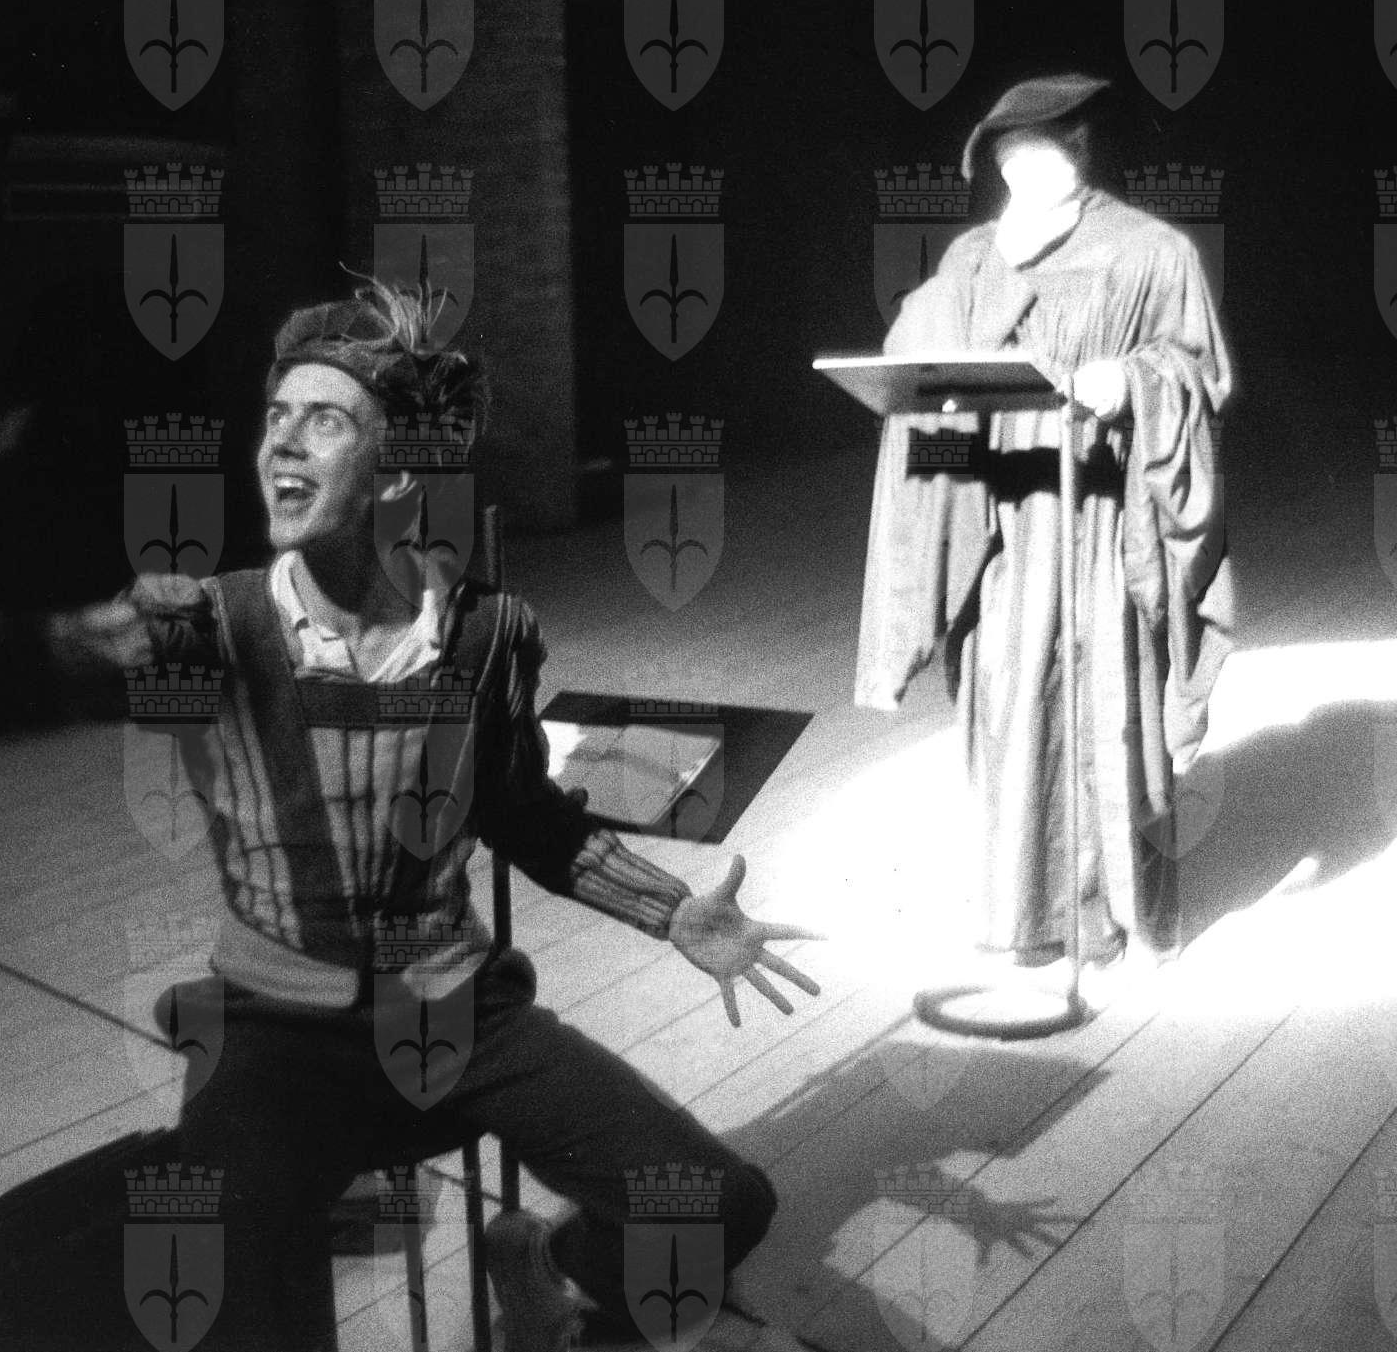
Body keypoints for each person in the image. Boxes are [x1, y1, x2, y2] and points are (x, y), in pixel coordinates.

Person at [43, 277, 822, 1351]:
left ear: (396, 468)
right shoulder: (205, 625)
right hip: (274, 1022)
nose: (281, 444)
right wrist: (32, 637)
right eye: (274, 417)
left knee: (721, 1201)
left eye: (324, 421)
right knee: (219, 1279)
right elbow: (38, 673)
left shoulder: (485, 633)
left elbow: (526, 815)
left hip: (456, 1007)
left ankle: (547, 1268)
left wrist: (670, 909)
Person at [854, 72, 1236, 969]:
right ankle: (1027, 916)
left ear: (1081, 153)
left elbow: (1198, 373)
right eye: (1009, 158)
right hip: (1000, 519)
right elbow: (918, 362)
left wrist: (1131, 380)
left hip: (1099, 515)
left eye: (1044, 154)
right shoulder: (972, 258)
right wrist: (924, 376)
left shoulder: (1150, 251)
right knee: (1006, 697)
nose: (1024, 172)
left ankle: (1108, 916)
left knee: (1103, 703)